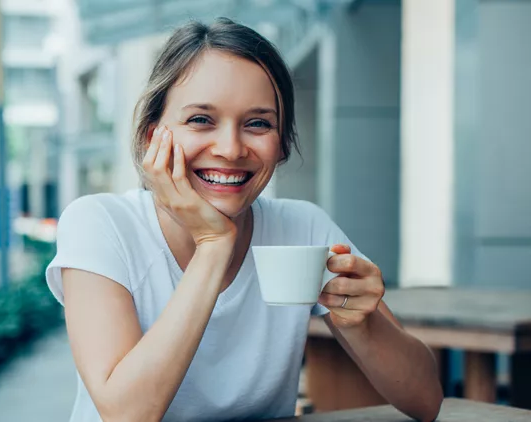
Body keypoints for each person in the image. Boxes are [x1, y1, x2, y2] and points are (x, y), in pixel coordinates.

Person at [46, 17, 443, 422]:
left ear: (281, 144)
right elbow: (126, 415)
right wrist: (213, 245)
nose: (231, 148)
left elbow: (427, 402)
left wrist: (360, 322)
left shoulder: (303, 227)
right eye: (201, 119)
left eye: (258, 123)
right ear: (153, 136)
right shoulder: (100, 224)